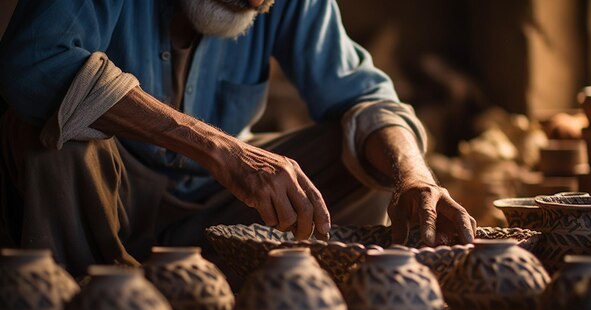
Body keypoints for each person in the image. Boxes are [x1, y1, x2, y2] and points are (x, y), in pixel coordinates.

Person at [0, 0, 475, 277]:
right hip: (101, 199)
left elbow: (367, 98)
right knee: (55, 127)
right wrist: (218, 148)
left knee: (365, 152)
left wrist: (414, 177)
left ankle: (233, 279)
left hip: (215, 208)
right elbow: (33, 61)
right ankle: (102, 295)